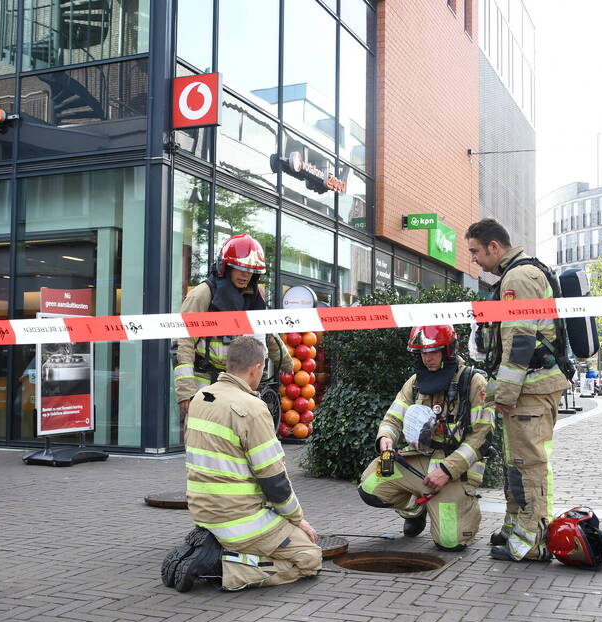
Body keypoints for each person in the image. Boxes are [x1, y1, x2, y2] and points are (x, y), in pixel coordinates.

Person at [162, 335, 321, 592]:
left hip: (203, 512)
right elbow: (274, 480)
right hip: (240, 519)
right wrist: (298, 520)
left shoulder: (201, 399)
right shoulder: (253, 408)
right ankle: (220, 566)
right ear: (257, 368)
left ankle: (214, 546)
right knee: (309, 558)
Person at [466, 218, 571, 562]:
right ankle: (516, 528)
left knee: (528, 464)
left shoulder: (519, 278)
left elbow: (520, 341)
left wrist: (505, 394)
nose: (474, 260)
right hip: (527, 389)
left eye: (476, 252)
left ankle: (531, 541)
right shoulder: (517, 275)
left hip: (530, 391)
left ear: (494, 247)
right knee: (517, 462)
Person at [356, 325, 491, 551]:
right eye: (422, 353)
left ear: (448, 350)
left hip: (455, 472)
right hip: (420, 460)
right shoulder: (416, 382)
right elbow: (393, 418)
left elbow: (481, 437)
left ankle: (456, 506)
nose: (427, 359)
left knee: (450, 542)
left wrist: (448, 469)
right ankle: (416, 510)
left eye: (433, 352)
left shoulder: (473, 383)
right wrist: (386, 438)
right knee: (370, 487)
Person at [173, 233, 293, 426]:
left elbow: (268, 334)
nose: (246, 275)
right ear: (225, 267)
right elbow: (183, 342)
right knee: (203, 438)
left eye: (251, 270)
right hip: (205, 379)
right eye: (240, 268)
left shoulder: (253, 298)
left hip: (236, 382)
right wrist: (186, 390)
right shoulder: (203, 295)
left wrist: (287, 364)